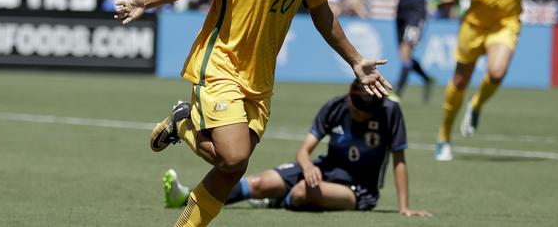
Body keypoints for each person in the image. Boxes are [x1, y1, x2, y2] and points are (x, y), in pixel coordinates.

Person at [114, 0, 391, 227]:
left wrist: (355, 61)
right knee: (233, 156)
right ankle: (184, 122)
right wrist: (145, 1)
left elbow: (323, 15)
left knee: (233, 168)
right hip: (221, 63)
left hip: (260, 78)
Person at [162, 80, 431, 218]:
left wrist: (404, 206)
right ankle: (184, 198)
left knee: (303, 191)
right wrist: (309, 165)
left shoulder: (390, 112)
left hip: (358, 189)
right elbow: (304, 152)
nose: (355, 115)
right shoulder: (335, 106)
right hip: (322, 170)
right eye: (353, 108)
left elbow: (399, 159)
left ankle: (277, 199)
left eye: (361, 113)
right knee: (260, 181)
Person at [435, 0, 542, 161]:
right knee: (460, 80)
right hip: (476, 20)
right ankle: (444, 136)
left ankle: (476, 104)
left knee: (497, 72)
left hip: (507, 20)